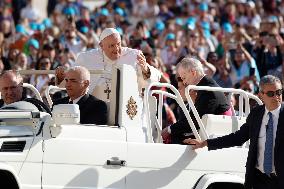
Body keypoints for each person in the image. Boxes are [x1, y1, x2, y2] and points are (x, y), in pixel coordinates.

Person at [184, 75, 283, 189]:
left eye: (279, 92)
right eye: (271, 94)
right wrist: (205, 143)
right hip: (259, 180)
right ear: (261, 95)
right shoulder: (256, 114)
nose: (276, 97)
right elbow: (237, 138)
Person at [56, 27, 161, 100]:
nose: (116, 49)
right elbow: (71, 79)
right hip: (94, 108)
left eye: (118, 44)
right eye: (111, 46)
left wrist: (146, 70)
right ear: (101, 46)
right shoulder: (87, 58)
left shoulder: (133, 55)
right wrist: (61, 76)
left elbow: (158, 75)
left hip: (126, 107)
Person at [162, 57, 231, 144]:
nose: (185, 82)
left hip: (217, 135)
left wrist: (169, 129)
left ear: (193, 73)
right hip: (210, 129)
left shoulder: (207, 89)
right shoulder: (205, 85)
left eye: (184, 78)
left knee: (174, 137)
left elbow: (195, 120)